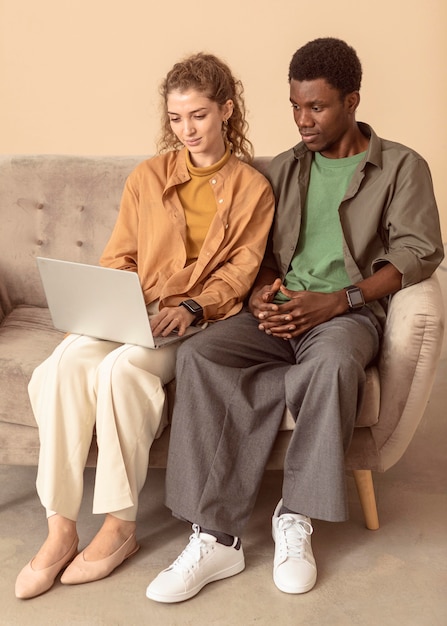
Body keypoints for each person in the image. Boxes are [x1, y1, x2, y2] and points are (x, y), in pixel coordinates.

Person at [146, 38, 444, 603]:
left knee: (331, 365)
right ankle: (216, 537)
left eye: (317, 107)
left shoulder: (402, 166)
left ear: (352, 101)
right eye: (295, 106)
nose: (303, 120)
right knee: (200, 355)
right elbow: (259, 256)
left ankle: (295, 515)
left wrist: (341, 302)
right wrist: (260, 294)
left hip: (346, 317)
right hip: (280, 314)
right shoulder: (283, 170)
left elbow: (419, 251)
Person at [15, 52, 275, 600]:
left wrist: (194, 308)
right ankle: (60, 529)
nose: (187, 130)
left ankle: (119, 526)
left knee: (122, 370)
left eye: (199, 116)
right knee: (63, 365)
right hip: (135, 309)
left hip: (198, 322)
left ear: (227, 110)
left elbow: (241, 272)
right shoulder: (148, 176)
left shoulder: (253, 188)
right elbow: (118, 257)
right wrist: (119, 301)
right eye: (177, 119)